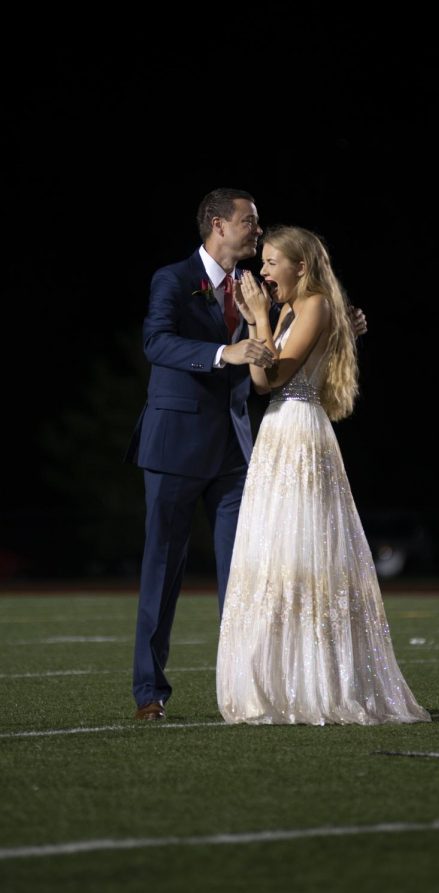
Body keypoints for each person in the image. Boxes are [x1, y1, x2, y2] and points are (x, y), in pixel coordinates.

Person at [126, 186, 369, 721]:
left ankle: (248, 686)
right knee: (162, 568)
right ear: (217, 225)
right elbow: (156, 342)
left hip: (240, 451)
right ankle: (150, 691)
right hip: (174, 444)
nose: (258, 232)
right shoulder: (172, 279)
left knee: (249, 572)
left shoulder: (257, 285)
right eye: (249, 223)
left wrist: (338, 333)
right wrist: (222, 351)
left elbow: (292, 339)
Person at [216, 225, 430, 726]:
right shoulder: (294, 309)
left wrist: (260, 322)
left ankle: (317, 686)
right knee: (274, 555)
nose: (263, 272)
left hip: (299, 433)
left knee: (302, 554)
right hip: (277, 435)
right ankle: (276, 684)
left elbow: (269, 376)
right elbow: (261, 373)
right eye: (263, 262)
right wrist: (262, 322)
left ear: (302, 266)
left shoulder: (312, 306)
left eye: (272, 262)